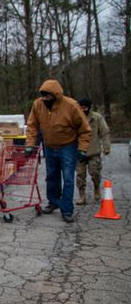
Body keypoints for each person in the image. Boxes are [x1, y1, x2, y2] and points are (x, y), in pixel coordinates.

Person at [25, 79, 91, 223]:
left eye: (48, 96)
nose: (45, 99)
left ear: (55, 95)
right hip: (49, 146)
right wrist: (30, 144)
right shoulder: (38, 105)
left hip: (68, 146)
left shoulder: (71, 105)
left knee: (68, 178)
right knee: (51, 176)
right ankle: (53, 201)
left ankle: (67, 209)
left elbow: (85, 129)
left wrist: (82, 148)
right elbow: (32, 125)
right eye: (43, 96)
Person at [75, 98, 111, 205]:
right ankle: (82, 196)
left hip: (93, 151)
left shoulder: (97, 118)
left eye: (85, 108)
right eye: (80, 108)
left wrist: (106, 146)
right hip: (79, 151)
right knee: (80, 175)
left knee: (95, 172)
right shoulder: (75, 117)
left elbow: (105, 132)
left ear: (89, 108)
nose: (82, 110)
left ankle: (96, 188)